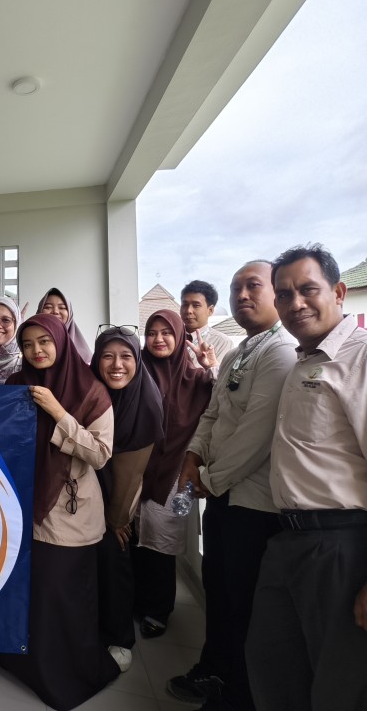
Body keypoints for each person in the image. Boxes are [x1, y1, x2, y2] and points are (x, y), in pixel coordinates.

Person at [167, 261, 296, 711]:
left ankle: (237, 693)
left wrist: (207, 479)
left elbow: (256, 435)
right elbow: (213, 415)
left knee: (243, 604)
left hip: (253, 506)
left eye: (253, 286)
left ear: (276, 293)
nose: (243, 295)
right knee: (220, 594)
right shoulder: (240, 352)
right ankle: (213, 670)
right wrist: (192, 456)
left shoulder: (281, 352)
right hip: (223, 498)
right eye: (237, 287)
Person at [246, 244, 367, 711]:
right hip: (289, 540)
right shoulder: (304, 361)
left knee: (339, 686)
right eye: (284, 294)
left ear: (338, 292)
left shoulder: (358, 359)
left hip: (341, 547)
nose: (295, 303)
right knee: (275, 669)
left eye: (308, 290)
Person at [0, 314, 119, 710]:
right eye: (28, 343)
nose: (36, 350)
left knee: (63, 596)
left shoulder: (91, 390)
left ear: (61, 342)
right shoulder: (16, 384)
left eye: (44, 341)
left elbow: (100, 454)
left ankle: (69, 675)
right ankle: (29, 665)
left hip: (70, 509)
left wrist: (58, 412)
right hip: (22, 504)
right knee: (32, 594)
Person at [132, 309, 215, 639]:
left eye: (166, 332)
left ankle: (158, 608)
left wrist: (210, 367)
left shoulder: (197, 378)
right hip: (135, 467)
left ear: (180, 337)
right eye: (152, 333)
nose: (158, 339)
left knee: (161, 542)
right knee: (131, 537)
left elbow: (224, 406)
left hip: (176, 474)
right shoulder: (136, 370)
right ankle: (134, 600)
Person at [90, 324, 164, 674]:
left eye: (125, 356)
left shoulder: (145, 400)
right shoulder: (92, 392)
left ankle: (120, 638)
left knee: (114, 558)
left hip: (118, 502)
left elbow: (132, 473)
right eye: (107, 356)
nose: (116, 365)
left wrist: (117, 518)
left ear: (137, 360)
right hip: (88, 495)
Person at [180, 280, 234, 369]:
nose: (188, 310)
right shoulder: (170, 336)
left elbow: (220, 376)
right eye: (185, 305)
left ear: (210, 310)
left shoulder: (222, 342)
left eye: (196, 305)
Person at [37, 286, 92, 362]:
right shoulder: (29, 339)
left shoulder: (82, 355)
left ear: (70, 314)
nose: (55, 311)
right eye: (48, 307)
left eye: (62, 307)